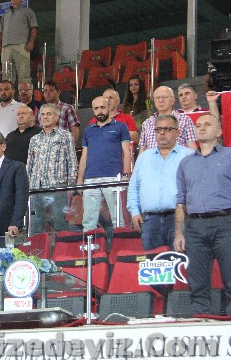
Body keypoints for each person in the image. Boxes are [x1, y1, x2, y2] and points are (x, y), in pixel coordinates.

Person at [174, 114, 231, 315]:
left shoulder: (229, 156)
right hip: (195, 227)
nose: (202, 128)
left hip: (226, 223)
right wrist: (179, 233)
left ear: (219, 131)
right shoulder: (185, 163)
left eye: (207, 124)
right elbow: (181, 201)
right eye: (198, 125)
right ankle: (201, 320)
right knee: (197, 282)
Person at [127, 115, 194, 250]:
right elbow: (134, 187)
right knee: (152, 262)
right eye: (158, 130)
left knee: (180, 260)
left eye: (167, 129)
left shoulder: (188, 156)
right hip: (149, 221)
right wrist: (135, 212)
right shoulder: (144, 157)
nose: (162, 133)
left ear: (177, 133)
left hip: (180, 219)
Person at [77, 97, 132, 232]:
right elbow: (84, 156)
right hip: (90, 178)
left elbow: (127, 152)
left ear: (109, 107)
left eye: (102, 107)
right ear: (93, 110)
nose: (100, 111)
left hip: (113, 178)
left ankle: (119, 245)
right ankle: (89, 246)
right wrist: (80, 179)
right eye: (96, 108)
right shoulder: (88, 131)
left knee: (118, 220)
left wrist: (126, 175)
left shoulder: (120, 127)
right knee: (89, 222)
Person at [26, 104, 78, 233]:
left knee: (60, 221)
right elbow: (30, 164)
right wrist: (28, 186)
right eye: (42, 114)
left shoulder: (65, 136)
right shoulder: (34, 139)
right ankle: (36, 246)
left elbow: (72, 160)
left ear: (56, 117)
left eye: (48, 114)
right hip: (36, 187)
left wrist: (71, 185)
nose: (45, 117)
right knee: (35, 223)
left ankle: (63, 246)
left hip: (57, 185)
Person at [138, 86, 197, 154]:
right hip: (152, 160)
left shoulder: (185, 120)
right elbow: (142, 150)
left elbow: (192, 148)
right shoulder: (147, 123)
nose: (161, 100)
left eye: (165, 97)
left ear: (173, 100)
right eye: (157, 98)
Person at [0, 0, 38, 84]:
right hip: (6, 47)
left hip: (21, 46)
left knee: (24, 74)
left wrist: (31, 41)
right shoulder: (6, 15)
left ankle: (25, 93)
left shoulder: (28, 11)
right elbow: (0, 32)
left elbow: (34, 27)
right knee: (6, 76)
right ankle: (8, 93)